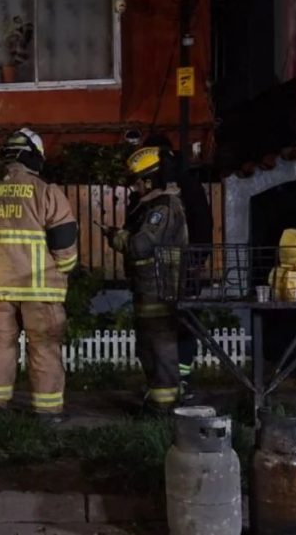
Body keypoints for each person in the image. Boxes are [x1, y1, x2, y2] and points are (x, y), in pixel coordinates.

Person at [0, 128, 79, 424]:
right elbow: (64, 241)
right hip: (41, 290)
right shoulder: (46, 192)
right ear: (36, 157)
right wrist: (64, 270)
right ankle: (47, 412)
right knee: (43, 345)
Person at [104, 146, 188, 414]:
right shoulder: (153, 205)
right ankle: (158, 398)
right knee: (148, 346)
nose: (135, 186)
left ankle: (164, 408)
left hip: (160, 287)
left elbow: (141, 245)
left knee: (160, 346)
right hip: (148, 286)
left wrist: (117, 237)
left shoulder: (163, 207)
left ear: (152, 178)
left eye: (138, 180)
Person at [147, 134, 213, 402]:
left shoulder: (166, 190)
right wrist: (198, 262)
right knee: (183, 324)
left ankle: (177, 380)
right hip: (185, 268)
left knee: (175, 325)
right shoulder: (189, 185)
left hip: (171, 270)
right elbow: (205, 225)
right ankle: (180, 380)